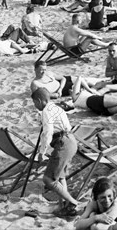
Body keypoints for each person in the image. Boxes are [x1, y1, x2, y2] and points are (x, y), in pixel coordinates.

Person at [31, 87, 79, 218]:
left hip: (63, 143)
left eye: (35, 103)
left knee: (48, 179)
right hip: (71, 140)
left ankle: (73, 202)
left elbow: (48, 133)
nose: (35, 106)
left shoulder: (46, 111)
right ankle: (63, 206)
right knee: (60, 176)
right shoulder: (57, 108)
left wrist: (42, 152)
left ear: (40, 100)